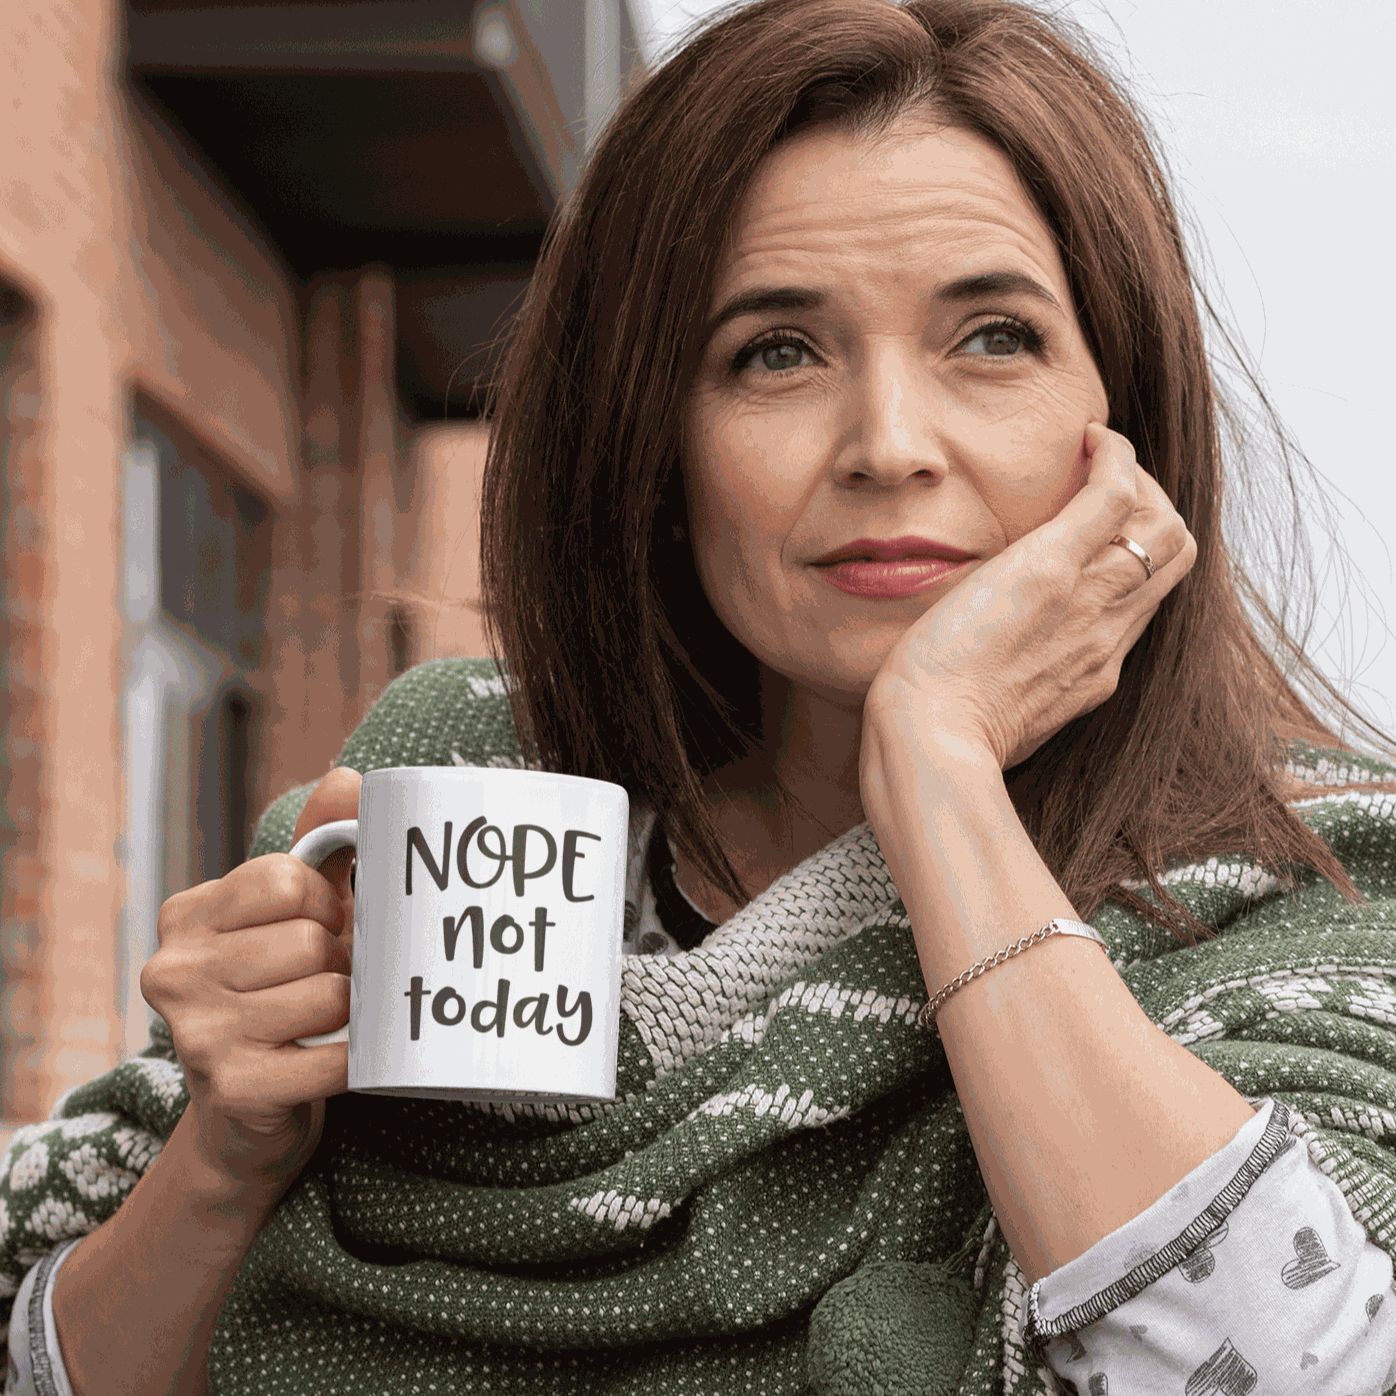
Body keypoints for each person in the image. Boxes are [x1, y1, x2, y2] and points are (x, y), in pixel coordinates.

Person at [6, 0, 1396, 1391]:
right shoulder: (454, 791)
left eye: (992, 338)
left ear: (1126, 421)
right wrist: (224, 1158)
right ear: (657, 448)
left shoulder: (1307, 894)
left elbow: (1300, 1367)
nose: (889, 445)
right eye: (777, 352)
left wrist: (938, 770)